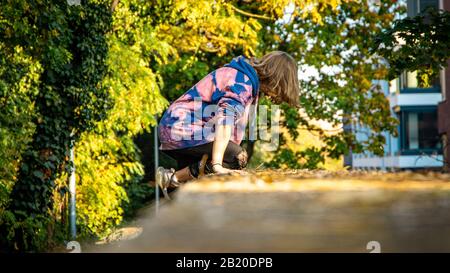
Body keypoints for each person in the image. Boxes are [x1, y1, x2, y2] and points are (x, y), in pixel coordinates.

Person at [156, 51, 300, 199]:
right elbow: (225, 122)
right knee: (238, 157)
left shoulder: (245, 77)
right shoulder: (242, 82)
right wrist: (217, 163)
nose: (274, 95)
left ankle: (173, 182)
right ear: (276, 78)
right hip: (181, 127)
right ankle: (175, 178)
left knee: (193, 190)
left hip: (182, 128)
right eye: (278, 89)